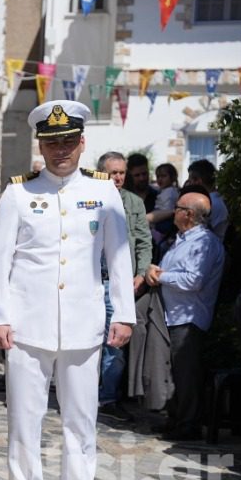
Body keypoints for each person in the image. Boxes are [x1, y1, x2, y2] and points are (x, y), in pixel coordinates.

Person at [0, 100, 134, 480]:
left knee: (81, 422)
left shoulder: (103, 192)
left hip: (83, 324)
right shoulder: (19, 193)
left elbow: (119, 257)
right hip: (27, 325)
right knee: (24, 422)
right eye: (53, 142)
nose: (61, 149)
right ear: (41, 146)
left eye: (69, 141)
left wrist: (124, 312)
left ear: (82, 143)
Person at [145, 191, 225, 441]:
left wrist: (161, 277)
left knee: (187, 374)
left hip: (188, 318)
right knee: (175, 373)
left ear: (188, 214)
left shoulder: (204, 243)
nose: (173, 211)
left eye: (177, 207)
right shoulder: (182, 239)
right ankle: (176, 419)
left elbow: (193, 280)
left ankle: (189, 425)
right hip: (172, 315)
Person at [96, 151, 152, 422]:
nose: (118, 177)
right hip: (90, 280)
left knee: (114, 343)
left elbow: (143, 240)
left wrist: (141, 273)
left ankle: (107, 397)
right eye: (113, 173)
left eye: (121, 173)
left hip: (117, 283)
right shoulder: (88, 199)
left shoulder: (133, 202)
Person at [184, 159, 228, 241]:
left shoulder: (209, 203)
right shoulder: (216, 199)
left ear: (198, 181)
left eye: (190, 181)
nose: (189, 184)